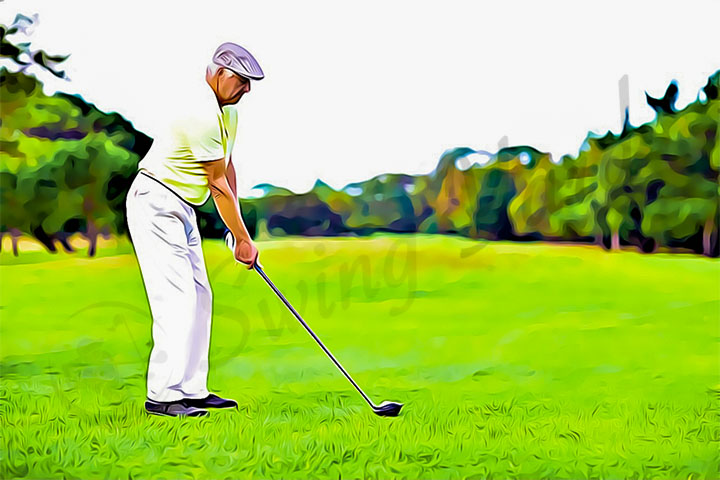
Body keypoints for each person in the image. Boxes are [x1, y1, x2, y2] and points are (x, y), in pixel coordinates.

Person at [125, 42, 263, 417]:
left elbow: (227, 169)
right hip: (155, 202)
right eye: (242, 81)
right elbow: (216, 183)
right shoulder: (199, 111)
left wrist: (238, 232)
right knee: (177, 297)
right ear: (220, 73)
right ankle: (163, 394)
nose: (247, 90)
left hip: (183, 204)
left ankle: (191, 388)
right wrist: (245, 240)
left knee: (201, 296)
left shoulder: (227, 112)